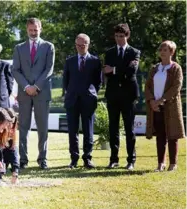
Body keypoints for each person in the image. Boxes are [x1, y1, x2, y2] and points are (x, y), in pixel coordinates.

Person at [12, 17, 55, 169]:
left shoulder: (49, 47)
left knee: (43, 128)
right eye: (30, 30)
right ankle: (22, 160)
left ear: (40, 29)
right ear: (26, 30)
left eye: (36, 30)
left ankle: (42, 159)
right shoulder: (18, 48)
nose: (33, 32)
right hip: (24, 93)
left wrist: (36, 86)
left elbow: (49, 69)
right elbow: (15, 70)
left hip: (41, 93)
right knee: (23, 127)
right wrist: (26, 87)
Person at [103, 23, 141, 170]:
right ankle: (114, 159)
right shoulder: (109, 52)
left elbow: (131, 71)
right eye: (117, 36)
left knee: (129, 128)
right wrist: (119, 70)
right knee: (113, 128)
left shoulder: (134, 52)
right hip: (113, 95)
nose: (119, 39)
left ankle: (131, 160)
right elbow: (107, 71)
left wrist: (113, 69)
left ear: (127, 36)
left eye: (121, 36)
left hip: (129, 95)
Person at [145, 40, 185, 172]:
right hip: (155, 107)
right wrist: (152, 101)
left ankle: (173, 163)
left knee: (172, 135)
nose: (162, 52)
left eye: (165, 50)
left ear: (171, 52)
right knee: (160, 135)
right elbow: (148, 86)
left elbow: (176, 87)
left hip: (170, 106)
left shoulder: (176, 68)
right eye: (161, 50)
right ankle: (160, 163)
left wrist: (162, 100)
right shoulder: (154, 68)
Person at [63, 34, 102, 169]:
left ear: (88, 44)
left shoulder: (95, 61)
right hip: (72, 100)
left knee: (88, 130)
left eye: (83, 45)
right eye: (78, 45)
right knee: (72, 131)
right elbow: (65, 82)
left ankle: (87, 158)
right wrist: (69, 94)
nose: (80, 47)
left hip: (88, 100)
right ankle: (74, 159)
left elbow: (98, 82)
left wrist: (92, 94)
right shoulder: (70, 61)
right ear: (75, 45)